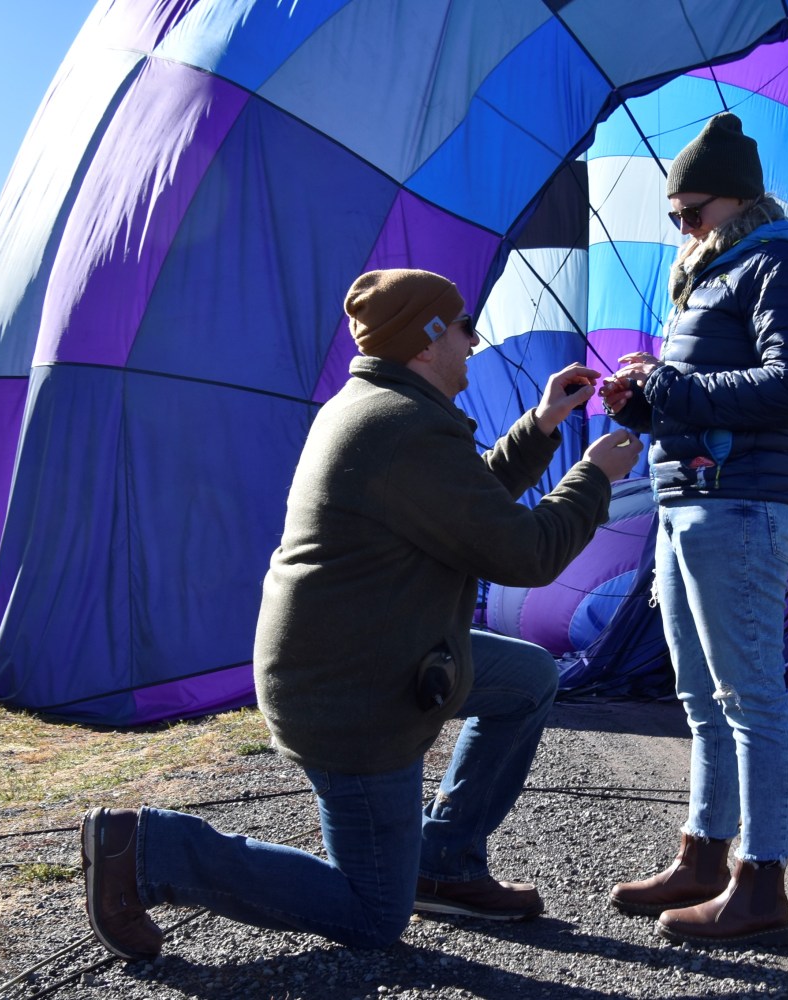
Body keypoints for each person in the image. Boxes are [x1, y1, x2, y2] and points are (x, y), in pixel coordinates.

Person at [80, 267, 643, 960]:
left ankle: (445, 862)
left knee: (526, 681)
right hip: (354, 693)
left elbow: (466, 504)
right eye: (464, 327)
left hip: (372, 654)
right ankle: (149, 852)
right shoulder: (401, 426)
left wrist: (543, 423)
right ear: (427, 341)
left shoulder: (379, 407)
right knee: (373, 913)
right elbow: (523, 553)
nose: (475, 340)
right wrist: (594, 477)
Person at [600, 113, 788, 946]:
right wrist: (648, 395)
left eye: (690, 211)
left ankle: (760, 883)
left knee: (751, 700)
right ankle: (702, 857)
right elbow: (700, 390)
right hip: (687, 502)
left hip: (741, 503)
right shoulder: (713, 271)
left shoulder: (785, 257)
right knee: (703, 699)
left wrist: (671, 389)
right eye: (672, 217)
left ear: (736, 196)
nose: (681, 228)